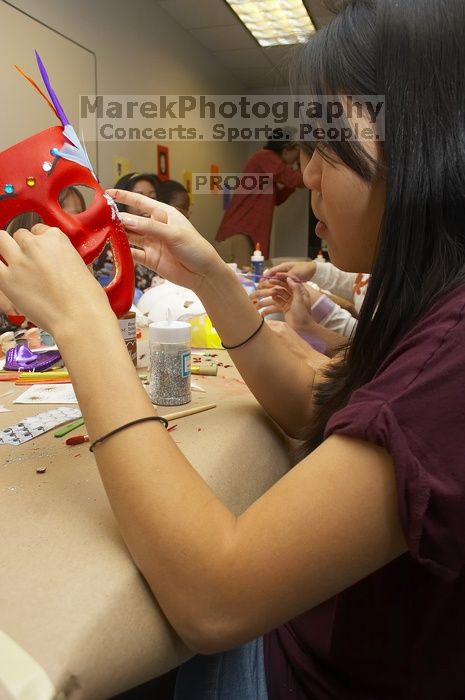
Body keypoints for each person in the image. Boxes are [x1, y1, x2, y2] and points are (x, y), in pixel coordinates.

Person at [1, 2, 465, 699]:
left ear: (421, 138)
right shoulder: (435, 310)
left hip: (314, 673)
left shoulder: (452, 357)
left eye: (321, 143)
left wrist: (84, 324)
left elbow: (213, 600)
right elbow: (312, 409)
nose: (303, 175)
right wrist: (213, 278)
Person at [214, 130, 305, 268]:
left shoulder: (267, 164)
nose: (295, 159)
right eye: (297, 153)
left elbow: (277, 198)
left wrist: (292, 183)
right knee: (245, 276)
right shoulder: (266, 157)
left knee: (250, 273)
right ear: (286, 150)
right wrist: (302, 165)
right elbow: (297, 180)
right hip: (240, 232)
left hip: (246, 231)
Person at [93, 172, 161, 292]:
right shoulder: (110, 244)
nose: (146, 205)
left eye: (152, 198)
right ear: (123, 203)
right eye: (138, 198)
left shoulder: (158, 238)